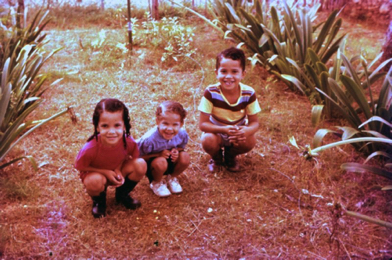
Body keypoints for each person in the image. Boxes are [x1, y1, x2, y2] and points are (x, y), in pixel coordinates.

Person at [75, 98, 147, 218]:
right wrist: (106, 172)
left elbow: (130, 158)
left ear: (124, 126)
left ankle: (122, 195)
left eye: (117, 125)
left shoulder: (129, 142)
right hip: (97, 175)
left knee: (140, 164)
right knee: (94, 181)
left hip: (118, 171)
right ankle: (99, 202)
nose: (111, 131)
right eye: (105, 126)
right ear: (97, 127)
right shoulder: (90, 148)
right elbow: (80, 166)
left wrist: (118, 169)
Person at [198, 47, 261, 172]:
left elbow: (255, 122)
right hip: (217, 132)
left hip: (237, 134)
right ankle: (216, 158)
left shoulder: (248, 93)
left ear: (243, 74)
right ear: (216, 73)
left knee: (250, 141)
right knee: (207, 140)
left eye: (234, 72)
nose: (228, 76)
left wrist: (246, 131)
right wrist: (223, 130)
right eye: (224, 71)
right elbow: (203, 124)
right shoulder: (211, 92)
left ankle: (230, 156)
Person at [137, 101, 190, 197]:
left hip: (170, 160)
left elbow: (181, 148)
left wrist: (176, 151)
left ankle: (171, 178)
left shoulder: (182, 134)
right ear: (157, 121)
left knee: (185, 157)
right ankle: (156, 182)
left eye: (175, 124)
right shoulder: (149, 139)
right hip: (154, 164)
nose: (170, 129)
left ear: (181, 123)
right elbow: (138, 157)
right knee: (161, 162)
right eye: (165, 123)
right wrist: (158, 155)